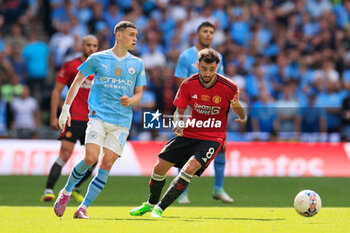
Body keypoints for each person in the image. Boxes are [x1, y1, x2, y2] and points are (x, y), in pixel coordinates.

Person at [130, 48, 247, 218]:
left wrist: (242, 117)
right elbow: (179, 110)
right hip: (189, 131)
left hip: (213, 137)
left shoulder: (229, 87)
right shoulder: (188, 84)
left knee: (189, 168)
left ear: (217, 67)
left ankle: (160, 208)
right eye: (204, 69)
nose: (207, 73)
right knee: (159, 166)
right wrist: (177, 123)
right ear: (198, 65)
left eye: (212, 69)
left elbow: (236, 105)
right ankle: (150, 203)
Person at [53, 21, 146, 219]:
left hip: (121, 121)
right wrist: (65, 109)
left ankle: (83, 208)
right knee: (90, 158)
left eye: (136, 35)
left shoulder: (137, 63)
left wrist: (131, 100)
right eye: (131, 35)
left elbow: (139, 94)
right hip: (98, 116)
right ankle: (66, 192)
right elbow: (77, 81)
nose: (135, 39)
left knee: (107, 163)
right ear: (118, 35)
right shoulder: (97, 58)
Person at [173, 21, 231, 204]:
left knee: (222, 145)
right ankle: (181, 193)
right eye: (205, 31)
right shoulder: (186, 56)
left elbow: (219, 83)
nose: (208, 35)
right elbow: (180, 84)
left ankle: (218, 189)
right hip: (191, 109)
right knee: (185, 148)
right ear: (197, 35)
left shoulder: (217, 57)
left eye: (211, 32)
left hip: (212, 110)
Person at [40, 35, 98, 202]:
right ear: (81, 46)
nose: (91, 48)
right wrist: (54, 116)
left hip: (94, 120)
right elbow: (57, 91)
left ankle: (75, 187)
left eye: (94, 45)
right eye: (88, 45)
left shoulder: (101, 67)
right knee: (65, 154)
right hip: (74, 118)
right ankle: (49, 190)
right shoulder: (71, 65)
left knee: (93, 160)